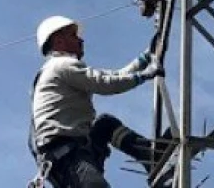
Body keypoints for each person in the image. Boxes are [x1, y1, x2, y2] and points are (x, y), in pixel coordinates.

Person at [29, 15, 170, 187]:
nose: (80, 40)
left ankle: (150, 155)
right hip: (67, 157)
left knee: (104, 124)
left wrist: (146, 57)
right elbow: (105, 84)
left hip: (76, 149)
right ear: (58, 42)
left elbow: (114, 76)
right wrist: (144, 76)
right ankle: (151, 155)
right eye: (73, 36)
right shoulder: (62, 65)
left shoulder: (59, 68)